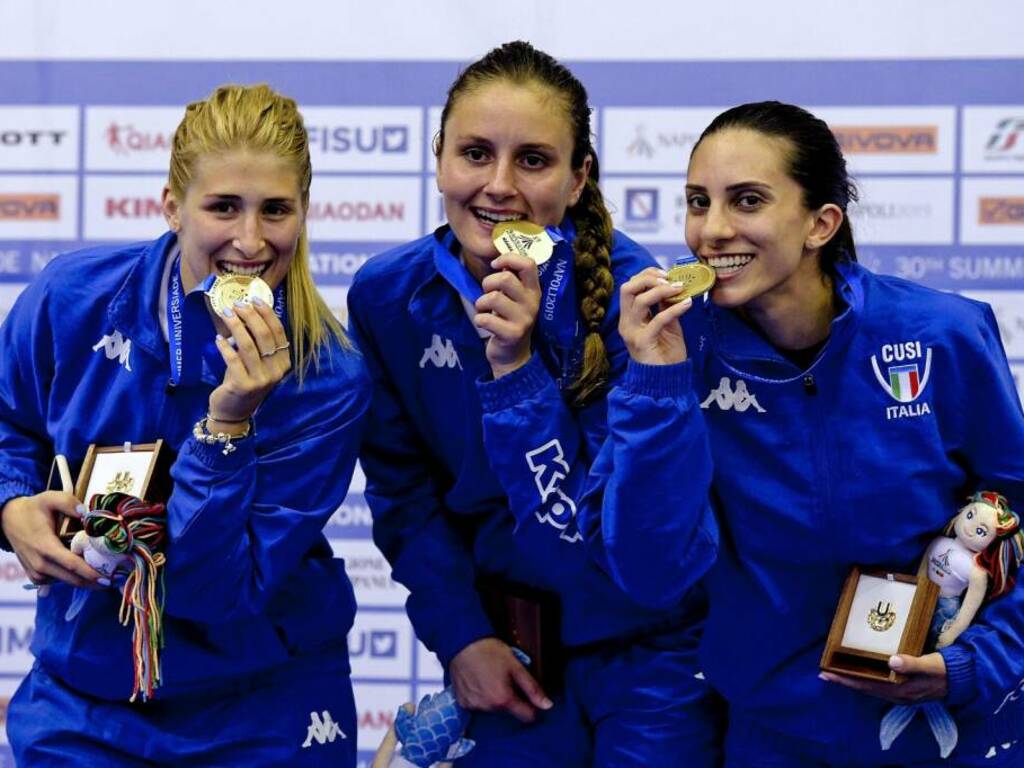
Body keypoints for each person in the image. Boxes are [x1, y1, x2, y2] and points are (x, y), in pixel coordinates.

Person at [597, 100, 1024, 766]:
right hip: (778, 737)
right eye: (697, 201)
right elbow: (652, 573)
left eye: (746, 201)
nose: (710, 231)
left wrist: (975, 661)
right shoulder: (675, 353)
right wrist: (657, 386)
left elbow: (1016, 512)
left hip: (957, 726)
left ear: (821, 223)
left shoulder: (940, 334)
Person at [348, 41, 721, 768]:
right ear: (438, 162)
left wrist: (514, 368)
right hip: (512, 648)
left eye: (533, 160)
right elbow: (404, 491)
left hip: (658, 653)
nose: (498, 186)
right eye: (475, 153)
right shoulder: (387, 297)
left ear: (579, 178)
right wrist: (460, 637)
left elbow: (581, 533)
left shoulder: (643, 302)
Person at [0, 84, 369, 766]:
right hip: (87, 699)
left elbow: (215, 591)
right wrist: (11, 506)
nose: (251, 240)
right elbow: (6, 422)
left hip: (263, 705)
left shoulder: (328, 375)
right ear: (172, 206)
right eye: (223, 207)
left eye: (276, 210)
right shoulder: (72, 299)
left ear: (305, 213)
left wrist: (227, 428)